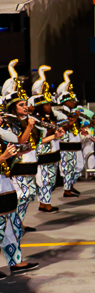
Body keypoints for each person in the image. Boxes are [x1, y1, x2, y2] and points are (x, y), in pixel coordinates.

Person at [2, 60, 63, 231]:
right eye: (21, 105)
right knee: (22, 195)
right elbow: (20, 142)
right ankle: (14, 225)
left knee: (28, 195)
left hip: (30, 163)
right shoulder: (10, 122)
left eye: (25, 104)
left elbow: (34, 144)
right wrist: (29, 126)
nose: (26, 107)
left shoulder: (27, 121)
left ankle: (17, 224)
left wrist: (52, 136)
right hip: (17, 165)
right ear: (13, 107)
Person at [0, 134, 39, 275]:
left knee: (12, 229)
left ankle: (16, 262)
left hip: (5, 187)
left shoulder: (1, 137)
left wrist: (17, 154)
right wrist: (4, 156)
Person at [30, 65, 66, 213]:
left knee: (50, 180)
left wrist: (57, 133)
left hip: (53, 152)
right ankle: (45, 204)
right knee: (44, 180)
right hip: (43, 153)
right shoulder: (36, 120)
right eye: (46, 104)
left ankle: (45, 202)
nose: (49, 106)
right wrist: (53, 132)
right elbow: (39, 139)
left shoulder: (50, 117)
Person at [55, 71, 84, 198]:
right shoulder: (60, 112)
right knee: (68, 167)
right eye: (71, 100)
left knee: (78, 166)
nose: (74, 102)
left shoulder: (72, 111)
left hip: (75, 144)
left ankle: (71, 186)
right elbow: (64, 126)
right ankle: (67, 189)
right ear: (65, 101)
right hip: (66, 144)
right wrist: (74, 117)